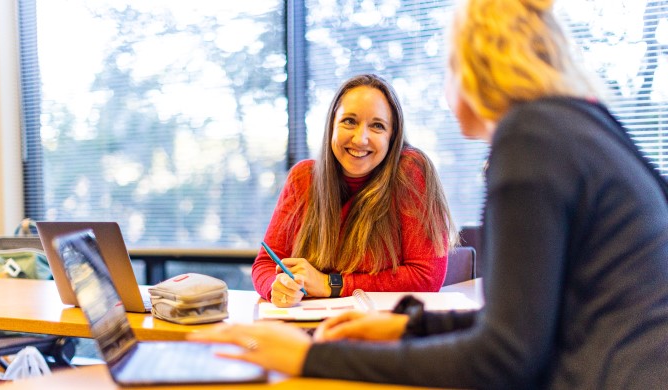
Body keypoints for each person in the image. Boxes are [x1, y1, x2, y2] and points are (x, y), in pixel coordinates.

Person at [189, 0, 668, 388]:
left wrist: (312, 358)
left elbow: (503, 358)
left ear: (473, 68)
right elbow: (525, 324)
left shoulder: (530, 140)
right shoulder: (581, 125)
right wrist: (408, 327)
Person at [252, 74, 457, 307]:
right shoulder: (303, 177)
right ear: (332, 125)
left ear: (393, 136)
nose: (360, 139)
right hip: (311, 325)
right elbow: (265, 264)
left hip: (382, 330)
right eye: (349, 121)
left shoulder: (410, 171)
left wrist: (331, 284)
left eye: (377, 126)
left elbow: (426, 277)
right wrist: (276, 287)